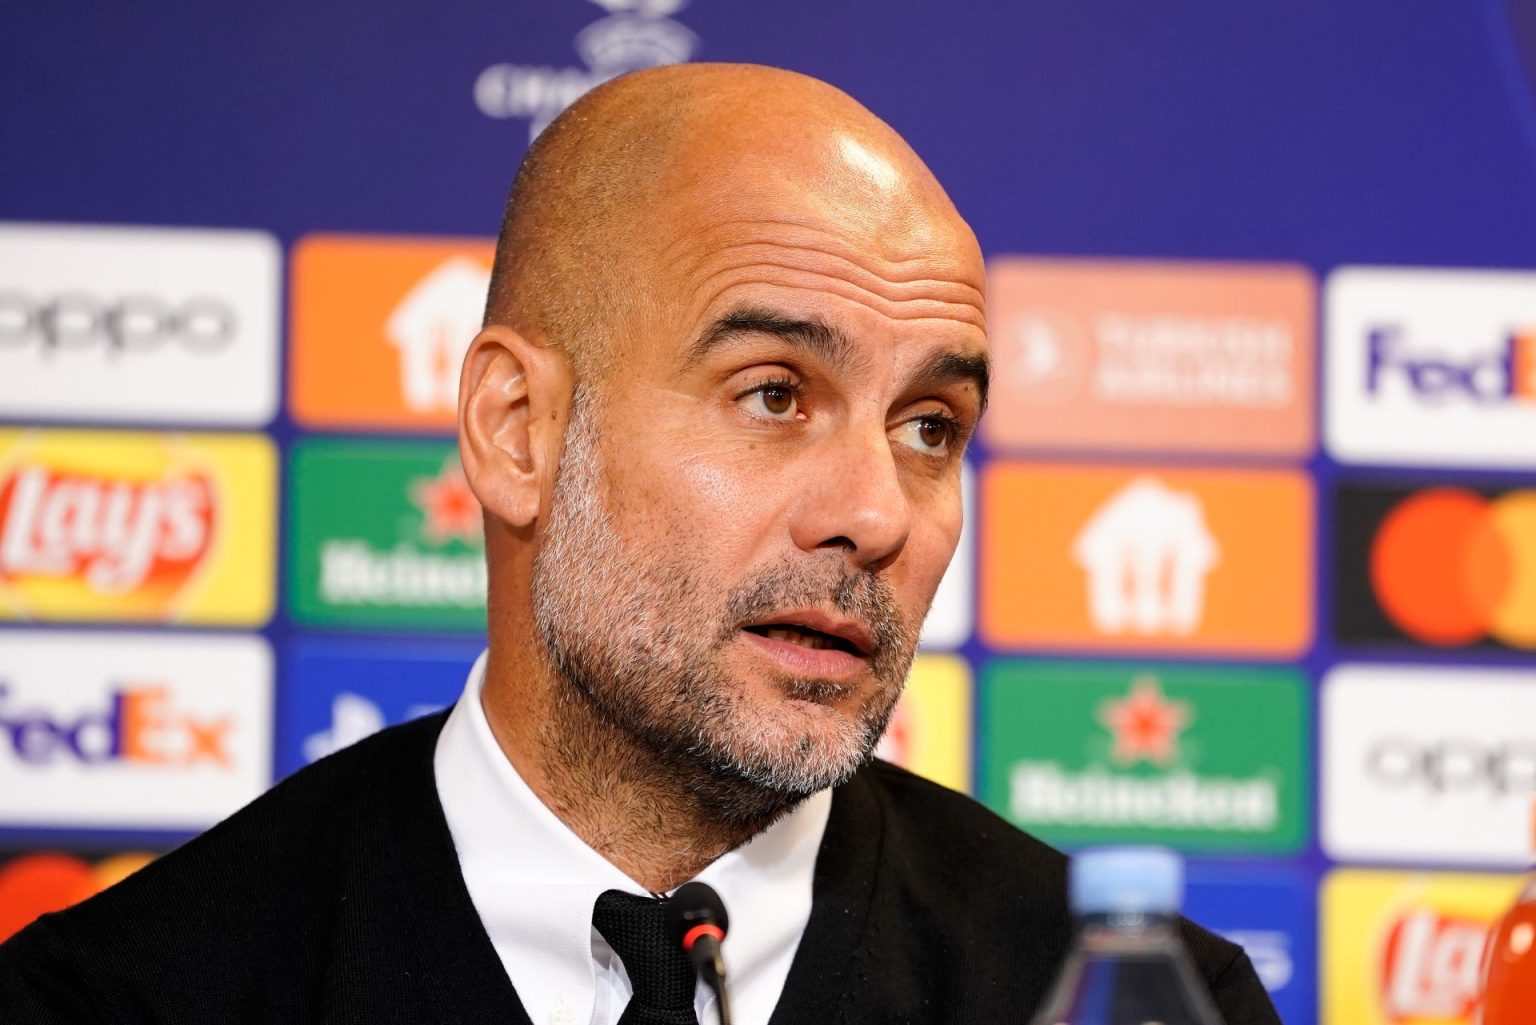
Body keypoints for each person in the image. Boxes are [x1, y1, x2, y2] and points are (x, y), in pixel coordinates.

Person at [0, 63, 1280, 1024]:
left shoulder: (1140, 996)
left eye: (930, 427)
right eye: (774, 394)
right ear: (517, 431)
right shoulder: (124, 993)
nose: (879, 511)